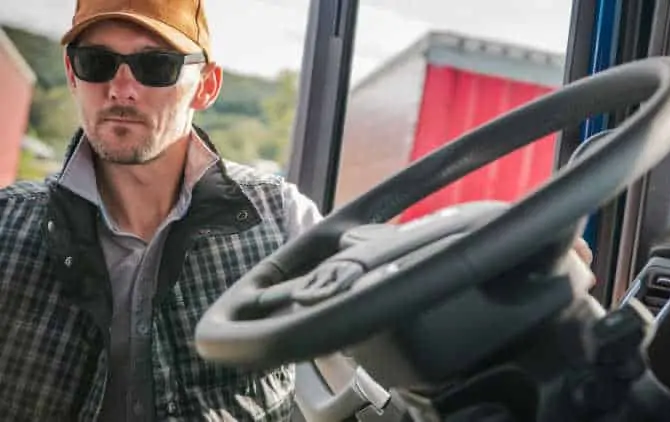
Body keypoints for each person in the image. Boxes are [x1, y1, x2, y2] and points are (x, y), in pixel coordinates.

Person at [0, 0, 594, 420]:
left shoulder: (277, 216)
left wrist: (509, 255)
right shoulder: (8, 226)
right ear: (73, 77)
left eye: (155, 66)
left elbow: (385, 278)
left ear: (206, 88)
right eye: (97, 62)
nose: (120, 88)